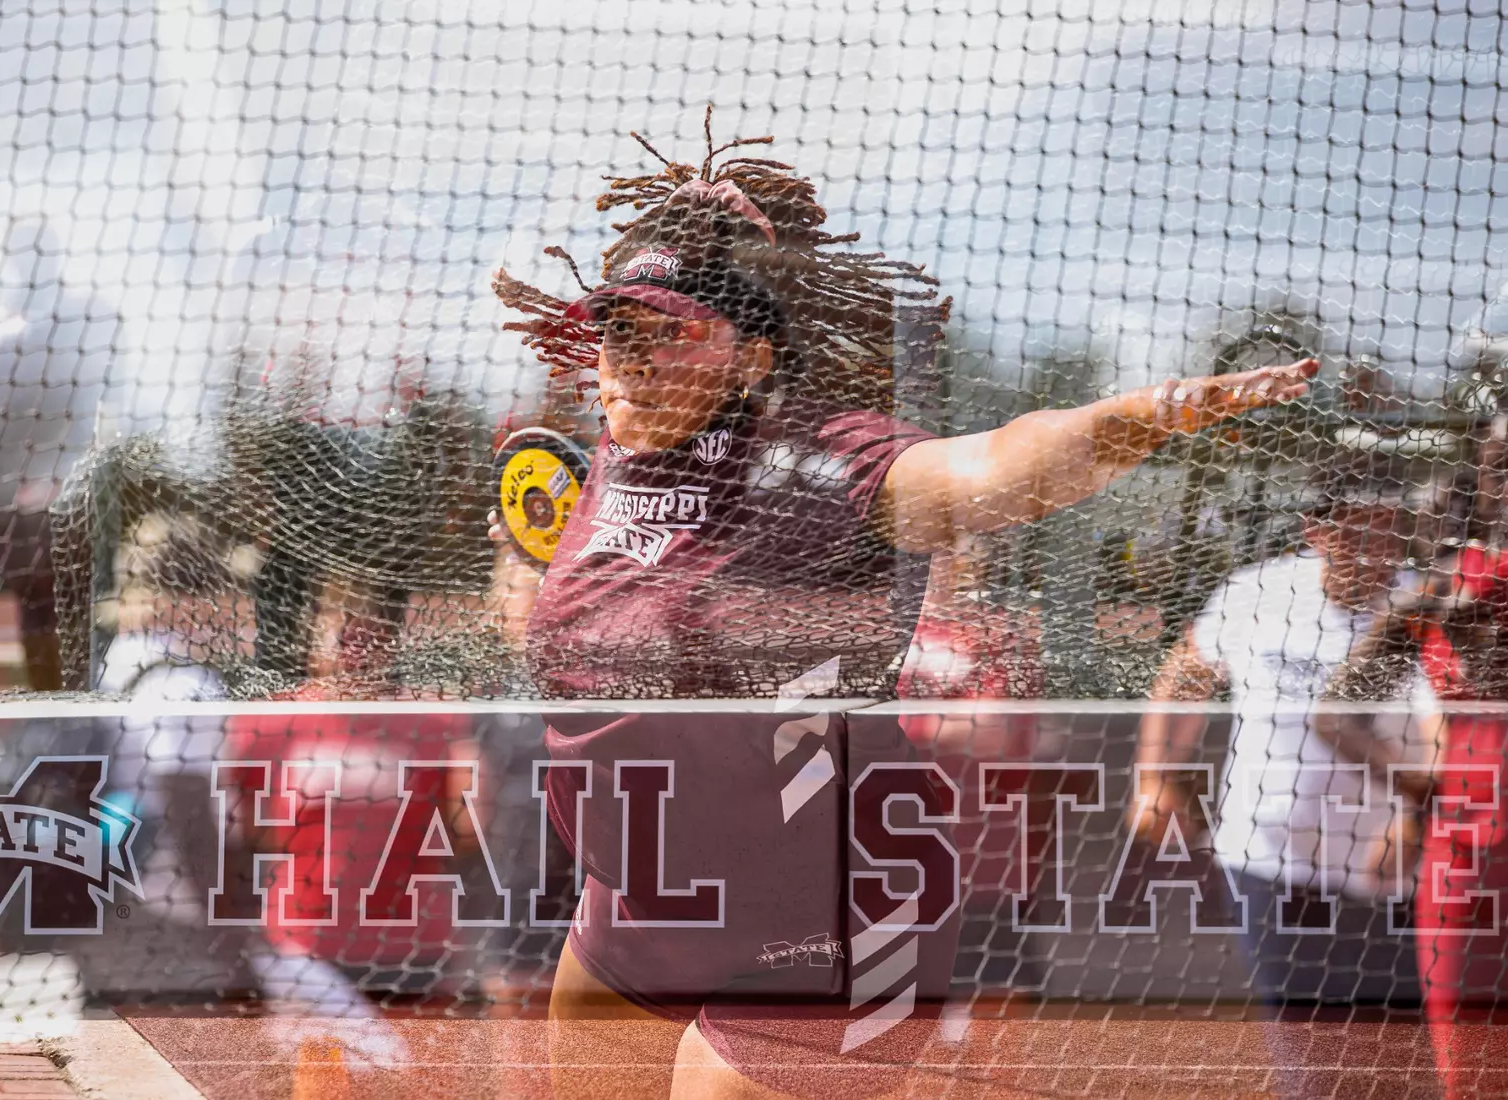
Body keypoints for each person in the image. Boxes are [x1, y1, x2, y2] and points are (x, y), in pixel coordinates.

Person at [493, 115, 1315, 1098]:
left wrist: (1142, 413)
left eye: (673, 332)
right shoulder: (608, 467)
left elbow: (996, 469)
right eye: (621, 329)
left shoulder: (822, 460)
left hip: (840, 905)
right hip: (650, 894)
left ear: (754, 361)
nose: (632, 356)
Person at [1133, 452, 1440, 1094]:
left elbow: (1452, 734)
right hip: (1266, 860)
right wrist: (1156, 776)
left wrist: (1416, 819)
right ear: (1317, 529)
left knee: (1393, 1056)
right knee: (1299, 1051)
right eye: (1358, 526)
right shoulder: (1257, 592)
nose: (1376, 542)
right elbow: (1186, 675)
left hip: (1388, 872)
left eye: (1390, 525)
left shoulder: (1425, 607)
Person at [1320, 415, 1508, 1100]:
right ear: (1482, 484)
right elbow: (1335, 715)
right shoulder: (1433, 596)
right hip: (1464, 870)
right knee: (1469, 1073)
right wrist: (1429, 788)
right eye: (1502, 466)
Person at [0, 217, 123, 690]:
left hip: (70, 480)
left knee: (82, 597)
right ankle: (44, 698)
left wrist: (91, 468)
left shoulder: (90, 314)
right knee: (33, 601)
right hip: (13, 488)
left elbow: (108, 402)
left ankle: (86, 695)